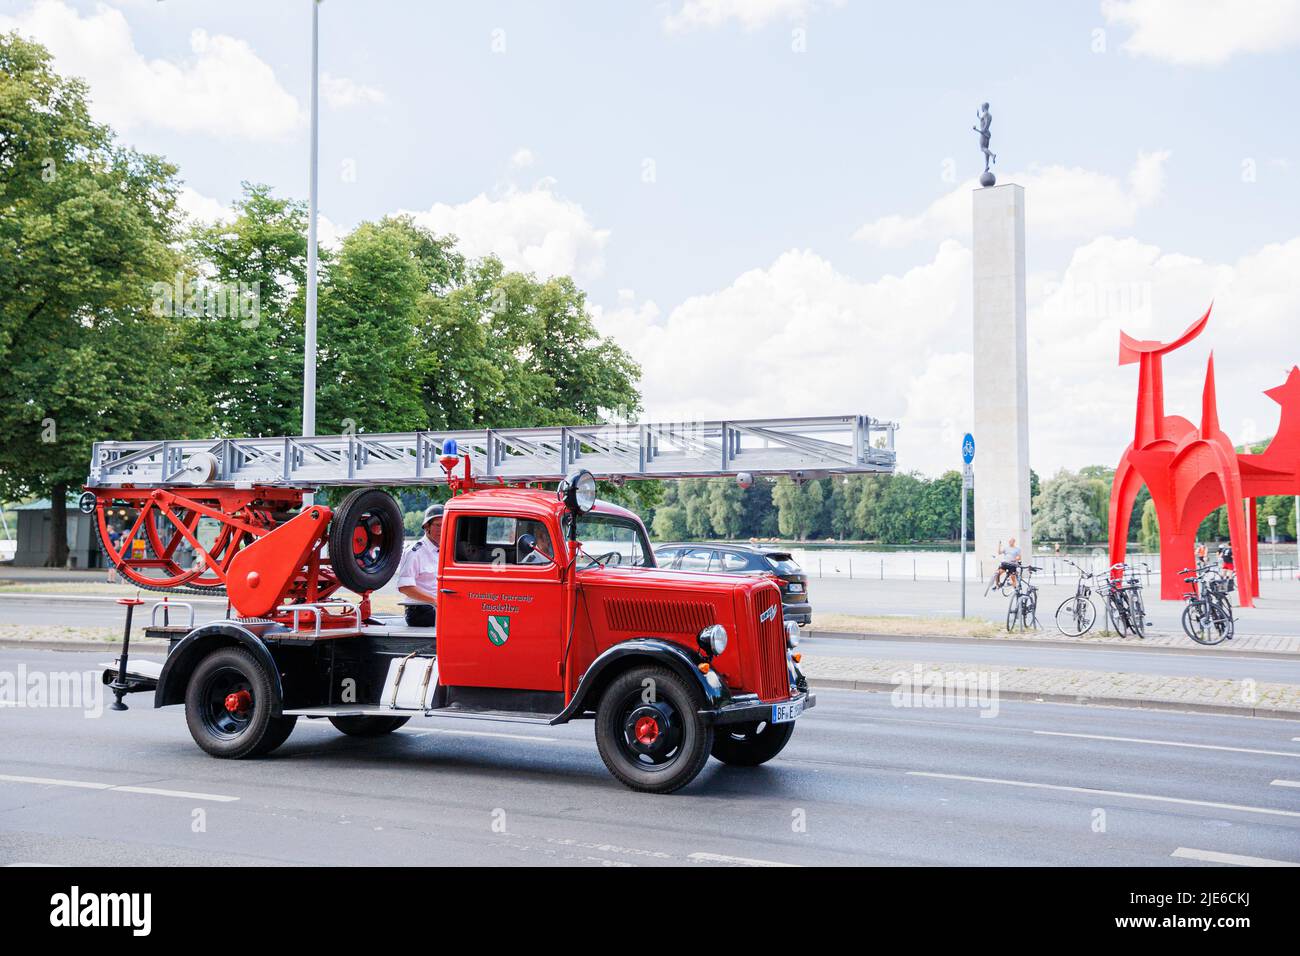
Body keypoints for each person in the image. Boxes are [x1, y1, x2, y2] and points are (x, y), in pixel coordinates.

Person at [396, 504, 443, 627]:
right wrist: (435, 601)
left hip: (439, 609)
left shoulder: (446, 551)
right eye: (438, 525)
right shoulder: (415, 552)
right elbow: (405, 587)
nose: (442, 529)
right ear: (427, 527)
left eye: (445, 525)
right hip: (421, 611)